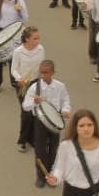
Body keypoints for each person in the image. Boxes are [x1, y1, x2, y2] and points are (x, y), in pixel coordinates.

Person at [22, 60, 72, 189]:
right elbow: (25, 106)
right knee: (40, 150)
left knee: (54, 150)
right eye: (41, 72)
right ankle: (40, 176)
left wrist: (66, 110)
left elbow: (65, 100)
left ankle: (51, 175)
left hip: (55, 123)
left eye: (46, 72)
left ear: (53, 73)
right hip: (40, 122)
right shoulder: (34, 88)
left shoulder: (60, 86)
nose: (43, 75)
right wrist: (34, 101)